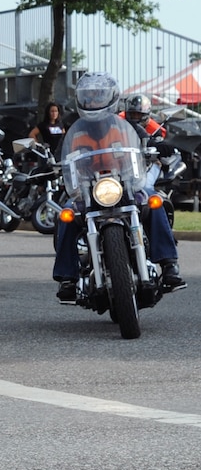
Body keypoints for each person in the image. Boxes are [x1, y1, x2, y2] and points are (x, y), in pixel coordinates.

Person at [53, 72, 186, 302]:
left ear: (111, 98)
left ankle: (169, 264)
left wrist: (160, 147)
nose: (94, 101)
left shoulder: (126, 126)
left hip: (126, 184)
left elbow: (147, 141)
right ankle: (68, 277)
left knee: (155, 201)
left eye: (98, 96)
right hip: (88, 188)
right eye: (89, 97)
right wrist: (50, 165)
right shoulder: (75, 130)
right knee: (66, 214)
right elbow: (59, 156)